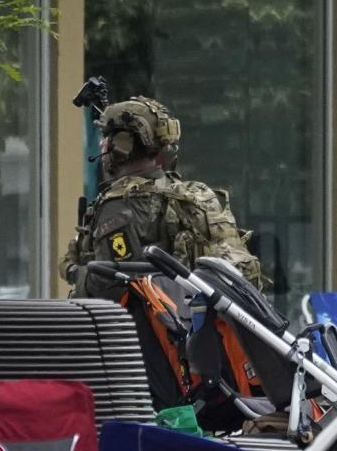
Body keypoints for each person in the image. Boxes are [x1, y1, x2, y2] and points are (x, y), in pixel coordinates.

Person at [61, 96, 260, 300]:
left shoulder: (119, 204)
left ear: (122, 146)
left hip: (142, 329)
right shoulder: (193, 194)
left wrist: (74, 271)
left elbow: (113, 285)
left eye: (108, 138)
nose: (102, 144)